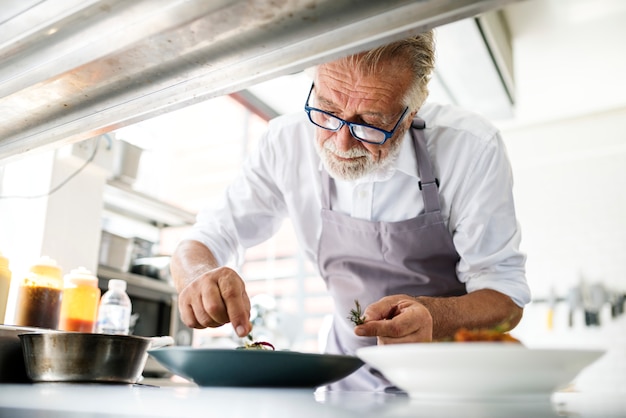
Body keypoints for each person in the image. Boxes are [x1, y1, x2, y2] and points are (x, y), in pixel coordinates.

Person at [170, 30, 531, 391]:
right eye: (327, 111)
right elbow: (204, 239)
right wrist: (198, 275)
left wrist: (434, 315)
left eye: (369, 122)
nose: (341, 141)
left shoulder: (470, 148)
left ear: (409, 114)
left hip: (451, 391)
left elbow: (506, 299)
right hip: (345, 386)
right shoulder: (285, 143)